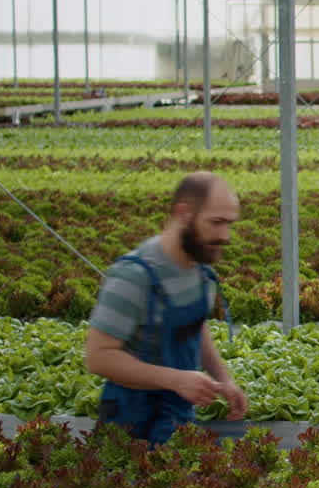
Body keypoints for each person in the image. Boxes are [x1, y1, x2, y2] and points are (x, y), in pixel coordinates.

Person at [84, 172, 249, 445]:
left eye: (230, 223)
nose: (225, 236)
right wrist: (175, 379)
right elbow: (98, 357)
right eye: (216, 222)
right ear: (184, 213)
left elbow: (195, 327)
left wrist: (223, 379)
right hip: (130, 425)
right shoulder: (135, 275)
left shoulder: (199, 269)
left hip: (176, 417)